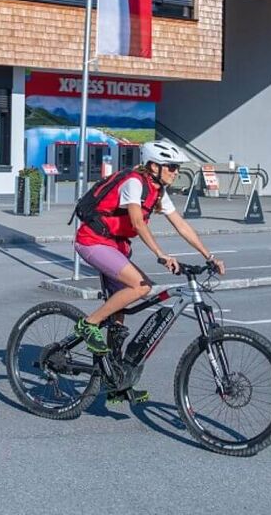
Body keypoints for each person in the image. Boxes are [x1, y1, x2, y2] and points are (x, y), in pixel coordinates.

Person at [73, 139, 226, 403]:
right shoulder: (134, 183)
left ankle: (115, 381)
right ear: (153, 166)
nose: (175, 172)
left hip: (117, 246)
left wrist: (209, 255)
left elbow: (182, 226)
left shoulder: (159, 192)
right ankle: (88, 324)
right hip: (93, 242)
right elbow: (136, 222)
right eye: (171, 167)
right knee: (141, 286)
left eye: (177, 168)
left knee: (121, 309)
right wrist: (161, 254)